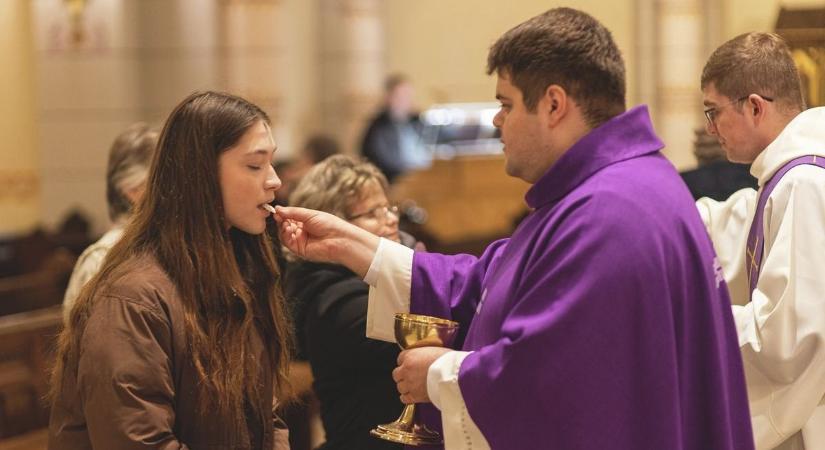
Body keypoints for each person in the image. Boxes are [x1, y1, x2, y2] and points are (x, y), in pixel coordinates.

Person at [273, 8, 754, 450]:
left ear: (553, 105)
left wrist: (441, 375)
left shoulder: (608, 214)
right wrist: (353, 245)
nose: (498, 121)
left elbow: (550, 381)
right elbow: (489, 281)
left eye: (506, 104)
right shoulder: (609, 187)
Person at [48, 91, 293, 449]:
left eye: (271, 164)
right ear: (201, 175)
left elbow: (263, 415)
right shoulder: (133, 298)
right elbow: (138, 440)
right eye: (255, 165)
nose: (274, 181)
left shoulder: (235, 272)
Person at [696, 32, 825, 450]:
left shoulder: (804, 183)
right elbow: (733, 225)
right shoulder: (786, 177)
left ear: (754, 106)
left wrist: (687, 321)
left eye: (714, 112)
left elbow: (787, 340)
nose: (709, 128)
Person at [284, 155, 412, 450]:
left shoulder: (371, 281)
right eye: (373, 212)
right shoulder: (334, 299)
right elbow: (428, 334)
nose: (391, 218)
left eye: (388, 207)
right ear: (334, 227)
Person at [62, 123, 158, 322]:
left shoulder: (170, 243)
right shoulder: (101, 260)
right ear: (132, 190)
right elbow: (93, 346)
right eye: (163, 177)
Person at [361, 74, 430, 183]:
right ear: (388, 97)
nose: (406, 100)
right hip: (394, 181)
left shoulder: (418, 121)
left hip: (423, 177)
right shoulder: (378, 126)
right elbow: (379, 160)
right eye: (400, 96)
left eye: (408, 95)